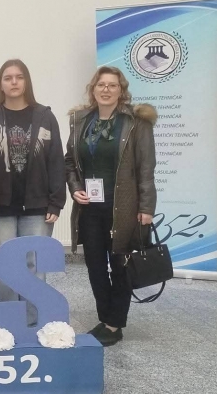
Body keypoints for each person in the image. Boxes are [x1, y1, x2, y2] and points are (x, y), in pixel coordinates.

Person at [65, 66, 157, 346]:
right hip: (90, 209)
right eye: (101, 84)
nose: (106, 90)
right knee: (94, 267)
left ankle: (114, 324)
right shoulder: (80, 121)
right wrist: (75, 188)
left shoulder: (136, 123)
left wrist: (147, 207)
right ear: (93, 89)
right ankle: (106, 318)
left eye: (112, 85)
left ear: (121, 90)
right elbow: (69, 162)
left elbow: (146, 168)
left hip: (124, 209)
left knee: (121, 266)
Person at [0, 59, 66, 326]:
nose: (14, 82)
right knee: (5, 265)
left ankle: (33, 322)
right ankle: (7, 322)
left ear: (27, 81)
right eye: (8, 78)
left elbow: (56, 160)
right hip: (1, 206)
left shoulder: (44, 116)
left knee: (33, 264)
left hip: (37, 205)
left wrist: (56, 202)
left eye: (19, 77)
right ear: (1, 84)